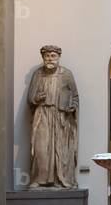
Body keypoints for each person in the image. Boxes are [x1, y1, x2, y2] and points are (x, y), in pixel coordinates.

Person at [28, 45, 79, 188]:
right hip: (42, 115)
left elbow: (75, 96)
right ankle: (39, 179)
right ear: (43, 58)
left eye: (53, 56)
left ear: (58, 57)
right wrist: (37, 98)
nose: (50, 59)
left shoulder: (66, 74)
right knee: (41, 148)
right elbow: (30, 97)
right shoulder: (38, 74)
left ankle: (60, 180)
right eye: (47, 56)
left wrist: (72, 107)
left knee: (61, 150)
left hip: (61, 116)